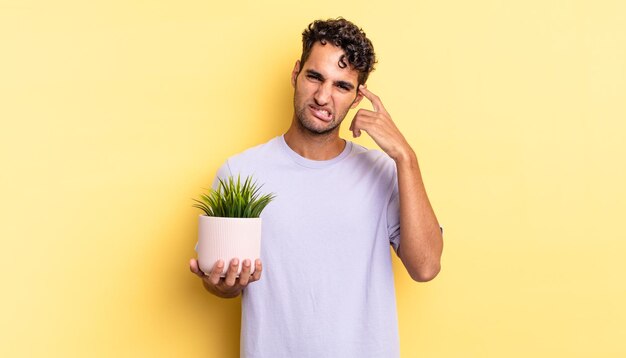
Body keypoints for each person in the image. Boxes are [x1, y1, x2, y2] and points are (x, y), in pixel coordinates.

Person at [189, 18, 443, 357]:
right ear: (296, 73)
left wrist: (405, 158)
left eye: (341, 86)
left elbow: (425, 267)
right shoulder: (241, 172)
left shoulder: (382, 171)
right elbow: (221, 281)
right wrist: (221, 284)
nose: (323, 97)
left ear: (357, 99)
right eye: (314, 77)